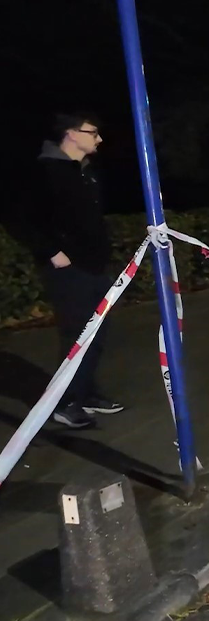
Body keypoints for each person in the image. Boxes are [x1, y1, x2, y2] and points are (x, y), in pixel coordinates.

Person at [10, 113, 122, 428]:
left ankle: (86, 392)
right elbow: (20, 218)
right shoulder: (44, 172)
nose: (99, 139)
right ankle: (65, 402)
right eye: (93, 132)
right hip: (68, 270)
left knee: (96, 333)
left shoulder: (85, 172)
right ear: (71, 134)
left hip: (95, 265)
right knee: (76, 334)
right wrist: (52, 252)